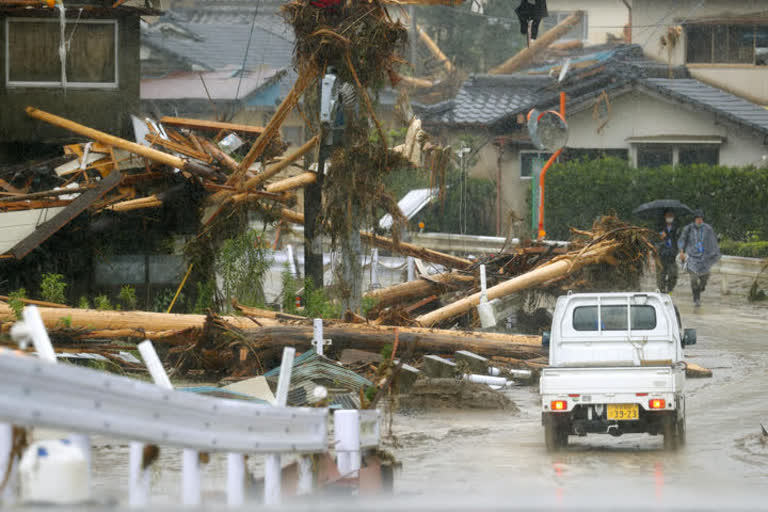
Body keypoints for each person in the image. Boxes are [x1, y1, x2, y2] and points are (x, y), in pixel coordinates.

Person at [678, 209, 720, 307]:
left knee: (704, 278)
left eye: (701, 219)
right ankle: (696, 299)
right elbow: (682, 240)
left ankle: (700, 288)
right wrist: (681, 252)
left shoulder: (708, 229)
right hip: (692, 258)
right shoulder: (688, 229)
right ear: (694, 219)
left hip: (704, 258)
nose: (699, 221)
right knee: (694, 279)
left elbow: (713, 240)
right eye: (697, 219)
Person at [656, 209, 680, 293]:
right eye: (668, 216)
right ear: (665, 217)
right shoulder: (659, 227)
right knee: (660, 275)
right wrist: (660, 237)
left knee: (673, 274)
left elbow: (679, 240)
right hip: (661, 254)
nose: (670, 218)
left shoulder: (676, 227)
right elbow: (654, 239)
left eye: (671, 216)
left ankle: (669, 289)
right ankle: (662, 290)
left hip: (672, 255)